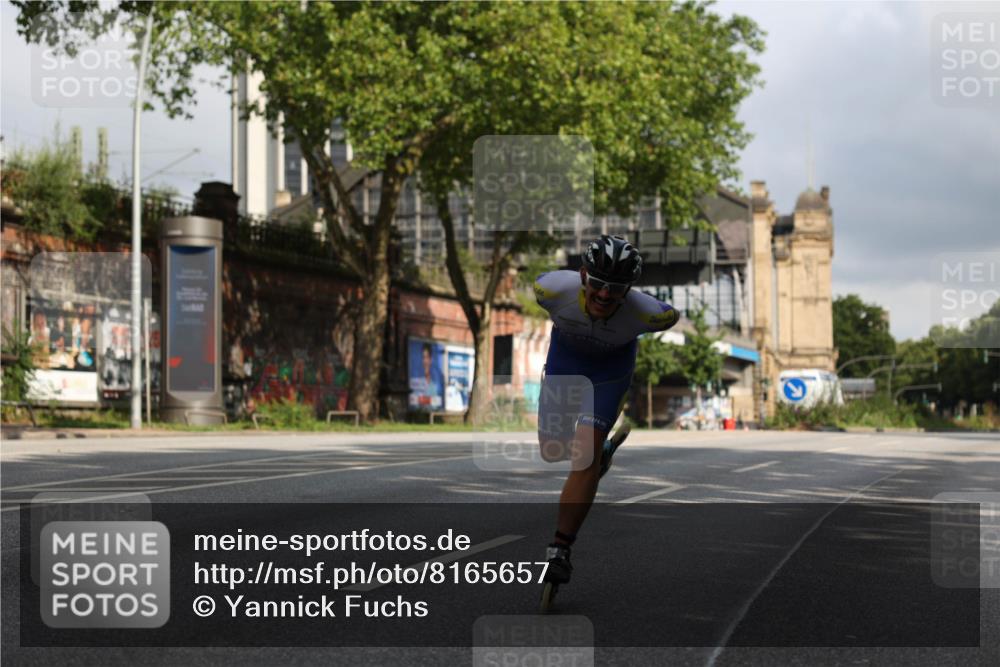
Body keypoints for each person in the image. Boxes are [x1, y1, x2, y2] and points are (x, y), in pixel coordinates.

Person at [533, 235, 679, 588]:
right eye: (597, 284)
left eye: (615, 289)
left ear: (628, 289)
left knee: (582, 458)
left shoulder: (649, 314)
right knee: (552, 450)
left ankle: (560, 550)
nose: (603, 295)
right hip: (566, 365)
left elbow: (672, 314)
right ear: (583, 275)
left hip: (608, 375)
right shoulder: (551, 290)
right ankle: (601, 459)